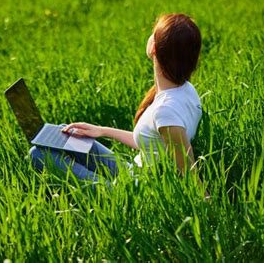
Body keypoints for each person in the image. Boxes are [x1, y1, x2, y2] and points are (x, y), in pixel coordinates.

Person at [29, 13, 202, 185]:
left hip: (135, 191)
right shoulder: (185, 90)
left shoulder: (166, 111)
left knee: (38, 154)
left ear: (154, 48)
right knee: (64, 134)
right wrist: (101, 130)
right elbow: (153, 144)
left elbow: (189, 172)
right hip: (134, 173)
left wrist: (208, 206)